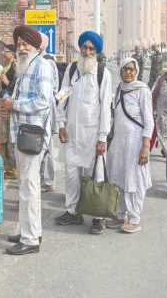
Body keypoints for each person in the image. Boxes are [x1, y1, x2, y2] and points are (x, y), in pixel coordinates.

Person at [0, 25, 54, 255]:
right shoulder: (25, 66)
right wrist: (8, 107)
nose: (22, 48)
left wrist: (16, 106)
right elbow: (20, 96)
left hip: (32, 134)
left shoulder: (41, 66)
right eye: (19, 44)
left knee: (30, 188)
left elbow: (44, 100)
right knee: (25, 186)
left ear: (34, 46)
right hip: (22, 132)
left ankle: (30, 240)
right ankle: (29, 230)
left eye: (26, 45)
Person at [55, 31, 112, 235]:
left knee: (93, 175)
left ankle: (97, 217)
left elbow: (105, 107)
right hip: (71, 133)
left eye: (91, 49)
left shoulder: (102, 73)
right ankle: (73, 211)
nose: (87, 52)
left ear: (96, 51)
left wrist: (103, 137)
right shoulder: (71, 70)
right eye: (84, 48)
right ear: (80, 48)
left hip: (92, 136)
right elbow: (62, 97)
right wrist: (60, 124)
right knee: (71, 174)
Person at [106, 58, 154, 234]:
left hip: (135, 143)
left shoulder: (142, 90)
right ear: (120, 71)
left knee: (134, 180)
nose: (128, 72)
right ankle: (120, 215)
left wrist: (145, 147)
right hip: (119, 143)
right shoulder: (120, 89)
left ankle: (134, 218)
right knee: (118, 178)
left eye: (132, 69)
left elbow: (149, 122)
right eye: (125, 69)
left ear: (137, 71)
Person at [39, 33, 59, 193]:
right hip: (43, 108)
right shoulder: (39, 61)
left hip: (46, 108)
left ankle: (48, 181)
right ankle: (44, 180)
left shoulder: (47, 62)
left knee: (47, 146)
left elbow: (53, 88)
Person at [0, 45, 17, 178]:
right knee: (2, 137)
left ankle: (12, 168)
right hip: (2, 105)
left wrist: (6, 81)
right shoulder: (6, 68)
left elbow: (14, 88)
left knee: (7, 137)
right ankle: (8, 168)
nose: (3, 54)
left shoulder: (15, 68)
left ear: (12, 54)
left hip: (8, 108)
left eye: (5, 52)